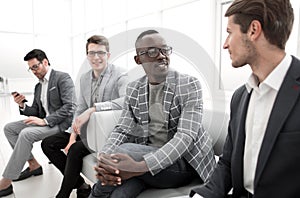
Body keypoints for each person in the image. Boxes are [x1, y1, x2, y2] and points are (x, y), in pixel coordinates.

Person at [88, 30, 216, 198]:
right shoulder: (134, 88)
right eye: (152, 51)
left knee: (124, 151)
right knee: (119, 194)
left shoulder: (188, 84)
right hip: (145, 161)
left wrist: (138, 167)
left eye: (165, 50)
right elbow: (122, 130)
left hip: (182, 163)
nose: (162, 56)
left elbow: (185, 137)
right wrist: (104, 157)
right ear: (138, 59)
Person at [190, 0, 299, 198]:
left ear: (253, 30)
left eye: (230, 32)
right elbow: (228, 163)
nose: (225, 44)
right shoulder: (240, 97)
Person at [41, 35, 128, 198]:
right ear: (87, 55)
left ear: (108, 55)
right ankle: (80, 184)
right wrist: (73, 136)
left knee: (74, 150)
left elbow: (125, 101)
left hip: (107, 134)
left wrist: (94, 109)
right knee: (48, 144)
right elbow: (80, 109)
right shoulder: (85, 78)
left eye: (101, 53)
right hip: (86, 132)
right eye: (91, 53)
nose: (96, 57)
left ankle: (63, 194)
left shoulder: (120, 75)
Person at [0, 49, 76, 197]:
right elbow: (36, 111)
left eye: (35, 66)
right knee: (9, 128)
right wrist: (22, 105)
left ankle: (7, 180)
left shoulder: (62, 78)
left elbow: (70, 107)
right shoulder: (38, 86)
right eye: (31, 68)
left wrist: (45, 121)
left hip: (59, 124)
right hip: (44, 122)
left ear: (45, 62)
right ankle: (33, 164)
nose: (34, 71)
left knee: (26, 134)